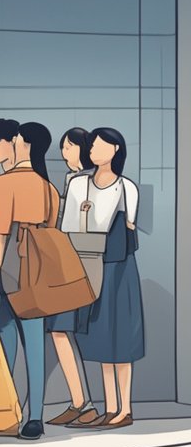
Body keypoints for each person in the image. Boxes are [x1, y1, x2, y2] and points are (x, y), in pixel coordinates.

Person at [0, 119, 59, 441]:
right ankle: (36, 417)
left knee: (6, 349)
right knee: (35, 348)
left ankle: (9, 412)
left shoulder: (4, 183)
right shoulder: (49, 188)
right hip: (40, 275)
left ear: (21, 143)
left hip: (12, 272)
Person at [67, 128, 145, 430]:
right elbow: (69, 225)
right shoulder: (78, 184)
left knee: (121, 336)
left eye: (100, 145)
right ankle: (110, 407)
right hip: (89, 264)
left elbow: (130, 228)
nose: (94, 150)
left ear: (116, 150)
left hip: (119, 267)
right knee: (100, 336)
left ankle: (125, 408)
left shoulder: (127, 187)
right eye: (93, 145)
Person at [47, 127, 98, 427]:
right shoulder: (76, 179)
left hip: (76, 265)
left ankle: (82, 403)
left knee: (62, 330)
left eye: (68, 146)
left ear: (81, 148)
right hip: (76, 263)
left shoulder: (82, 181)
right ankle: (80, 402)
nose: (63, 152)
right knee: (62, 332)